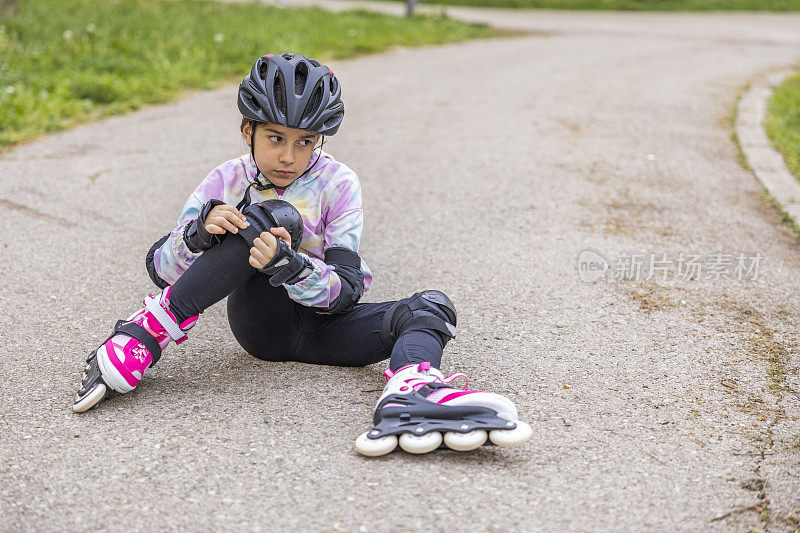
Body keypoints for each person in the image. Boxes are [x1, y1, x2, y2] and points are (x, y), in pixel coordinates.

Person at [73, 52, 532, 456]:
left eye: (306, 141)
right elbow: (160, 268)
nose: (290, 157)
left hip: (323, 326)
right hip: (264, 325)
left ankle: (412, 392)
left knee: (431, 306)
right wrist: (197, 234)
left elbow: (346, 291)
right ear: (247, 130)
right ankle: (142, 336)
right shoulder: (226, 179)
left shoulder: (338, 183)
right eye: (275, 138)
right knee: (267, 215)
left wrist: (288, 264)